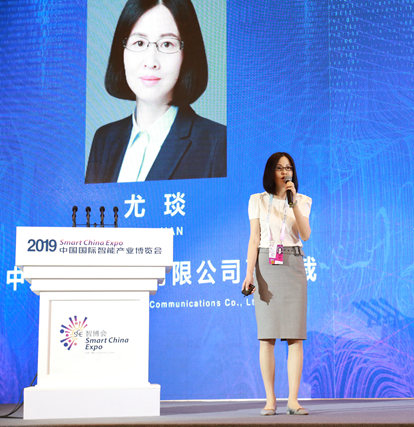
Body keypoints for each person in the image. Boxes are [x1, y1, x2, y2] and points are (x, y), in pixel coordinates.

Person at [85, 0, 226, 183]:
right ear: (122, 52)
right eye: (139, 42)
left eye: (167, 44)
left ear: (187, 54)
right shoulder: (105, 139)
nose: (151, 62)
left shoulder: (218, 143)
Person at [242, 152, 312, 416]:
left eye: (289, 168)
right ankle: (270, 400)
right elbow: (254, 239)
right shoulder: (258, 200)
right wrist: (249, 273)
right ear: (270, 171)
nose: (285, 172)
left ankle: (293, 400)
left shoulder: (302, 200)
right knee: (267, 336)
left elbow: (305, 234)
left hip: (293, 263)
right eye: (280, 168)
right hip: (265, 264)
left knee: (295, 337)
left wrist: (293, 204)